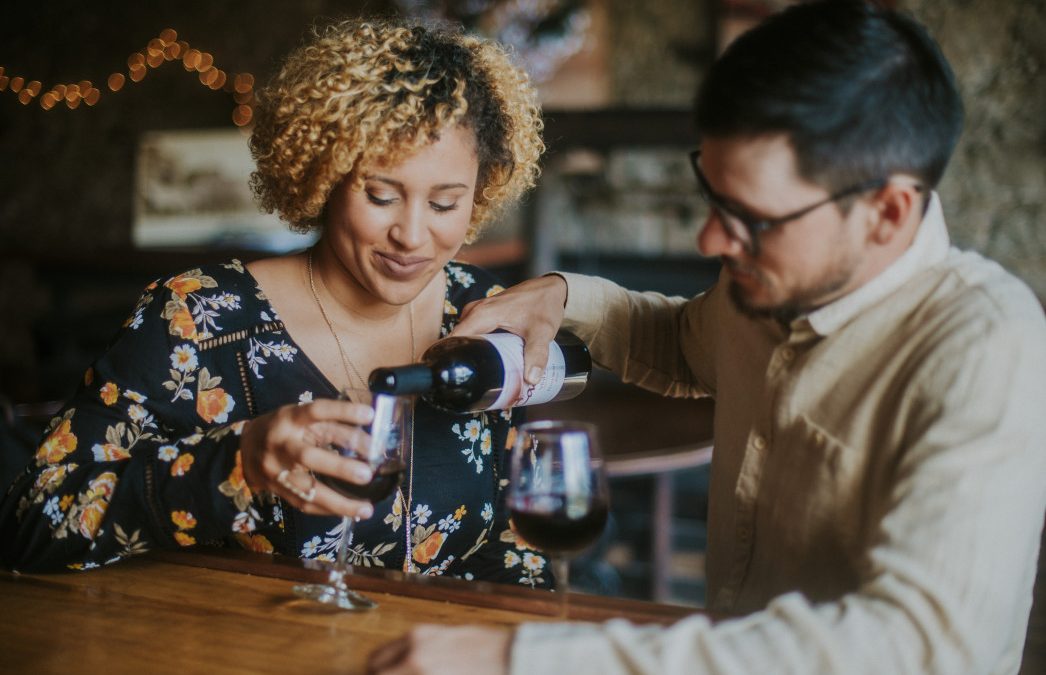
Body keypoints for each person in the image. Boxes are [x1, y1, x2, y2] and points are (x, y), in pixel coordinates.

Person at [366, 1, 1046, 673]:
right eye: (713, 197)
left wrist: (525, 658)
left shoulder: (987, 347)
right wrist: (564, 295)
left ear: (887, 212)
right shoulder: (775, 286)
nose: (712, 239)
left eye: (751, 217)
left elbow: (916, 646)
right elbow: (686, 344)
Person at [0, 18, 554, 586]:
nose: (412, 235)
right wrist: (235, 463)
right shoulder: (197, 317)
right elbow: (28, 524)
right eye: (381, 196)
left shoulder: (484, 314)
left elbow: (511, 539)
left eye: (444, 204)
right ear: (322, 176)